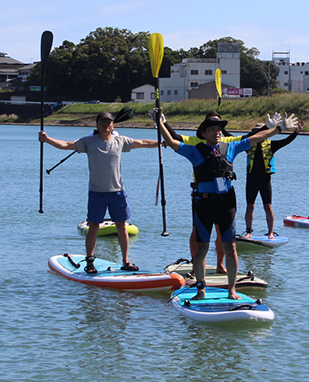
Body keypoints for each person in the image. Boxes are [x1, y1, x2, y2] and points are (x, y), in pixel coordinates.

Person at [160, 112, 293, 300]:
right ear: (203, 133)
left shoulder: (230, 147)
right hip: (204, 204)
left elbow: (255, 138)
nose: (217, 132)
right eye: (212, 129)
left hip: (226, 204)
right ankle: (201, 289)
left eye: (219, 129)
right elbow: (172, 142)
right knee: (201, 249)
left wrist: (278, 129)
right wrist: (159, 123)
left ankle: (232, 289)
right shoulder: (195, 150)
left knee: (230, 247)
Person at [40, 111, 160, 273]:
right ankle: (90, 262)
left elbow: (143, 142)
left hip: (118, 192)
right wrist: (47, 140)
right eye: (103, 122)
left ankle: (125, 261)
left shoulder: (120, 140)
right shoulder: (88, 142)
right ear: (97, 125)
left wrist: (163, 142)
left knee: (121, 227)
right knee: (94, 227)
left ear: (113, 125)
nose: (106, 124)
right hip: (97, 192)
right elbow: (66, 145)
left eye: (109, 122)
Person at [158, 110, 236, 273]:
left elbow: (250, 138)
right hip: (202, 194)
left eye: (218, 125)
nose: (215, 130)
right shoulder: (194, 141)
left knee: (221, 233)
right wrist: (162, 122)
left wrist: (269, 127)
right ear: (204, 128)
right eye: (211, 125)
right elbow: (175, 138)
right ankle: (196, 264)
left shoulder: (226, 141)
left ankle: (220, 264)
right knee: (197, 232)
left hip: (223, 196)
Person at [242, 118, 303, 238]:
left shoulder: (271, 145)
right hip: (251, 180)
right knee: (250, 206)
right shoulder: (248, 145)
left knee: (268, 206)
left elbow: (286, 141)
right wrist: (222, 128)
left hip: (265, 181)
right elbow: (232, 139)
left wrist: (296, 132)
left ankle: (270, 232)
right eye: (255, 133)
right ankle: (249, 231)